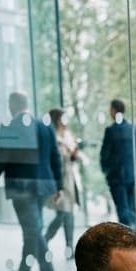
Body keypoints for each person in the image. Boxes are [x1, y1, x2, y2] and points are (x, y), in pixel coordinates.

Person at [0, 91, 62, 271]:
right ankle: (23, 270)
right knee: (32, 229)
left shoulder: (11, 127)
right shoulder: (45, 127)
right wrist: (58, 186)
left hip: (22, 188)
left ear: (12, 106)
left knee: (33, 230)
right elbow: (56, 158)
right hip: (44, 186)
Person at [43, 108, 84, 259]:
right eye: (62, 119)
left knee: (67, 213)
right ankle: (45, 240)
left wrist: (74, 154)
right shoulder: (51, 136)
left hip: (70, 179)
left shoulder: (67, 134)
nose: (65, 122)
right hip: (58, 180)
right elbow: (54, 159)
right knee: (63, 213)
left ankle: (68, 247)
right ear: (57, 120)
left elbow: (70, 156)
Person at [100, 98, 136, 228]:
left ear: (114, 110)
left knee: (122, 208)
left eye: (110, 109)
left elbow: (105, 154)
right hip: (132, 175)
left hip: (117, 176)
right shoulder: (134, 129)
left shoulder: (111, 130)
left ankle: (130, 231)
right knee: (131, 207)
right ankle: (135, 234)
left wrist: (106, 171)